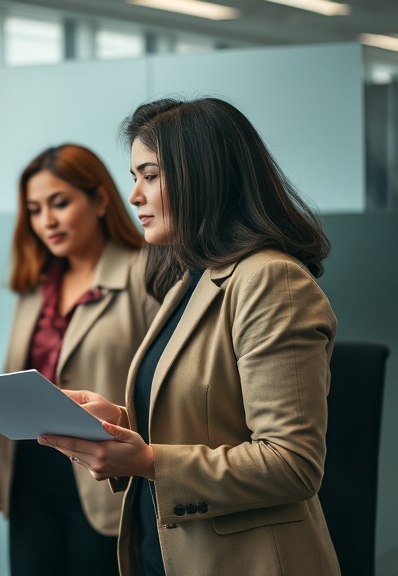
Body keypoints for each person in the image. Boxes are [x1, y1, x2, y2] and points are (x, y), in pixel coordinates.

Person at [38, 97, 340, 575]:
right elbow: (206, 420)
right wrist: (116, 421)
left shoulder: (271, 280)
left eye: (150, 176)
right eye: (135, 176)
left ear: (204, 175)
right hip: (168, 551)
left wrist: (149, 460)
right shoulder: (191, 277)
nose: (134, 195)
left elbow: (291, 464)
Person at [0, 144, 158, 576]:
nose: (48, 221)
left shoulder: (146, 273)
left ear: (99, 200)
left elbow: (165, 384)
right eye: (35, 209)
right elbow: (16, 377)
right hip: (29, 469)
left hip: (104, 474)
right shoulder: (37, 283)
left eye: (60, 203)